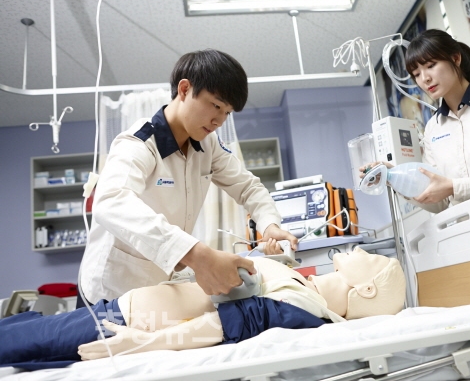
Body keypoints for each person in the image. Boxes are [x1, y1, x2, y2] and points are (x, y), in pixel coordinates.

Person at [79, 49, 298, 305]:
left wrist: (270, 225)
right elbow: (111, 202)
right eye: (216, 105)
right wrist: (196, 254)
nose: (219, 120)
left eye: (227, 112)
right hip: (108, 291)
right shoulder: (139, 142)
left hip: (156, 287)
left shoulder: (208, 144)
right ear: (184, 89)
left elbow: (248, 187)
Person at [0, 247, 405, 365]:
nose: (361, 250)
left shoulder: (305, 309)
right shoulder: (302, 285)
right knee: (14, 332)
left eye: (372, 259)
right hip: (120, 308)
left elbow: (224, 325)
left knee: (13, 344)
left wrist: (141, 343)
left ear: (368, 289)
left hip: (120, 326)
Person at [361, 29, 470, 213]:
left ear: (455, 58)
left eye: (431, 65)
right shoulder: (433, 128)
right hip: (467, 229)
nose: (425, 79)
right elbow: (440, 203)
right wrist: (392, 177)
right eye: (416, 74)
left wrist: (455, 187)